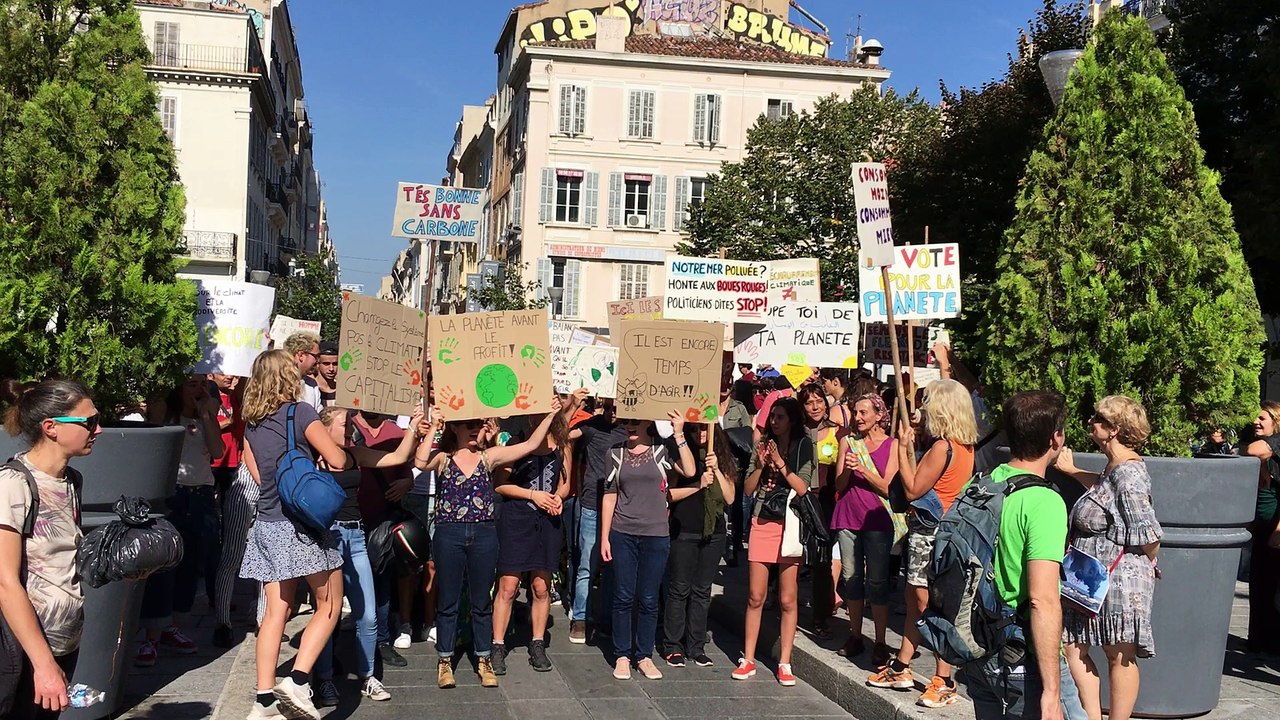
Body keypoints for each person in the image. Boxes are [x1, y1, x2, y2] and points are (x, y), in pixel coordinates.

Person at [415, 400, 563, 690]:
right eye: (468, 425)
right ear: (455, 428)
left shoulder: (488, 457)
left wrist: (551, 414)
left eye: (478, 425)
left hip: (484, 534)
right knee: (449, 602)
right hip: (449, 533)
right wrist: (433, 425)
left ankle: (483, 658)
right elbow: (420, 462)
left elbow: (532, 443)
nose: (474, 430)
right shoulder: (443, 458)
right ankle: (444, 660)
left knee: (482, 600)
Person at [239, 349, 351, 720]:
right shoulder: (299, 412)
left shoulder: (251, 422)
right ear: (288, 376)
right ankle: (299, 680)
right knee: (330, 604)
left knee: (276, 612)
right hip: (300, 526)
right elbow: (336, 460)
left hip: (268, 522)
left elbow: (253, 468)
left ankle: (264, 700)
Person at [964, 390, 1086, 720]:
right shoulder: (1043, 502)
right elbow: (1042, 600)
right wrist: (1051, 692)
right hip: (1022, 656)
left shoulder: (980, 485)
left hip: (978, 649)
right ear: (1056, 438)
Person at [867, 379, 977, 708]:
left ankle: (944, 678)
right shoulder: (960, 444)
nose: (923, 408)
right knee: (915, 599)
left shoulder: (944, 446)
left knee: (930, 603)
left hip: (932, 534)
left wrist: (902, 447)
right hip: (940, 532)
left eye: (927, 402)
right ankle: (902, 664)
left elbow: (913, 488)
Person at [310, 405, 428, 707]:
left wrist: (413, 426)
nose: (350, 426)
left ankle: (368, 676)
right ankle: (323, 680)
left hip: (356, 536)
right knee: (327, 612)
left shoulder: (355, 455)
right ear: (324, 427)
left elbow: (398, 457)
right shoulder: (313, 460)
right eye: (344, 422)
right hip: (328, 539)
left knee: (368, 612)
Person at [1053, 395, 1162, 720]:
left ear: (1114, 429)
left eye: (1098, 418)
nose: (1091, 422)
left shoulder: (1129, 474)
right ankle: (1090, 716)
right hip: (1092, 578)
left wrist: (1148, 561)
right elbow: (1104, 488)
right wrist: (1073, 471)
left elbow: (1150, 534)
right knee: (1073, 646)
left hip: (1118, 580)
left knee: (1119, 654)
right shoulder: (1115, 467)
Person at [0, 380, 98, 720]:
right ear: (51, 428)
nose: (97, 429)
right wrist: (43, 665)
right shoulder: (13, 484)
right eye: (88, 422)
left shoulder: (71, 480)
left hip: (63, 641)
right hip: (22, 653)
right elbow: (5, 582)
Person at [490, 390, 582, 675]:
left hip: (548, 521)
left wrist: (557, 496)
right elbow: (500, 484)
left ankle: (538, 642)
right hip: (518, 517)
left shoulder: (562, 443)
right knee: (508, 585)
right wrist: (533, 495)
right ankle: (497, 644)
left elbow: (566, 482)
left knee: (542, 586)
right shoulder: (517, 443)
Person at [136, 375, 225, 666]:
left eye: (202, 384)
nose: (198, 389)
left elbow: (217, 451)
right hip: (172, 495)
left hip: (200, 495)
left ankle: (171, 626)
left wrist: (207, 415)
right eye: (191, 384)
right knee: (164, 566)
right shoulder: (167, 412)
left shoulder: (205, 414)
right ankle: (151, 636)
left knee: (191, 563)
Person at [600, 411, 696, 681]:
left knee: (650, 598)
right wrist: (605, 536)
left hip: (656, 534)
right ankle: (621, 654)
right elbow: (609, 495)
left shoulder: (661, 451)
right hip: (623, 532)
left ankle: (643, 655)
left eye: (635, 421)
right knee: (622, 596)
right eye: (626, 421)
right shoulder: (614, 454)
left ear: (647, 422)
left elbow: (689, 470)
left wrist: (679, 434)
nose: (630, 426)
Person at [735, 396, 815, 687]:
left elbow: (803, 487)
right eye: (772, 416)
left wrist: (780, 464)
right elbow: (747, 489)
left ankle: (785, 661)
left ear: (792, 420)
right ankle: (749, 658)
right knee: (756, 596)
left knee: (787, 598)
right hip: (762, 520)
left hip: (789, 524)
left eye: (780, 417)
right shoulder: (762, 445)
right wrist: (760, 465)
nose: (774, 421)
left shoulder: (804, 446)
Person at [662, 421, 737, 667]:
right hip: (684, 529)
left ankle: (695, 645)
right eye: (694, 429)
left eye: (704, 428)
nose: (700, 434)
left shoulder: (720, 458)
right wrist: (697, 485)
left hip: (713, 533)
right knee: (679, 588)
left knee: (702, 591)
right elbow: (669, 494)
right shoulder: (680, 456)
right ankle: (673, 644)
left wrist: (716, 472)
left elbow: (729, 497)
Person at [832, 393, 898, 666]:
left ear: (878, 415)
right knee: (851, 578)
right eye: (855, 413)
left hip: (877, 520)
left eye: (863, 413)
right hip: (848, 517)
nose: (857, 418)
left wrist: (863, 468)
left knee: (878, 581)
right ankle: (856, 634)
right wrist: (848, 469)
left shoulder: (892, 446)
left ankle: (880, 641)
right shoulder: (847, 442)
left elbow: (886, 486)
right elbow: (838, 485)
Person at [566, 400, 629, 644]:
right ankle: (580, 617)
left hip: (620, 507)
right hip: (592, 504)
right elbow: (564, 436)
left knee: (613, 566)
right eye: (611, 406)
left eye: (618, 407)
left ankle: (607, 618)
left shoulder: (630, 430)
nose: (614, 412)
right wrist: (572, 405)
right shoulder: (591, 425)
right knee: (586, 564)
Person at [798, 385, 842, 638]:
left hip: (826, 500)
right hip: (799, 498)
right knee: (794, 553)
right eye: (809, 402)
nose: (815, 407)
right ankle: (783, 599)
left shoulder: (837, 433)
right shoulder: (796, 432)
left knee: (822, 558)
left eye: (819, 401)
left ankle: (820, 615)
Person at [1244, 401, 1280, 656]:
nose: (1256, 421)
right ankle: (1258, 640)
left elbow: (1256, 450)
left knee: (1275, 588)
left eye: (1262, 418)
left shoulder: (1276, 445)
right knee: (1259, 584)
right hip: (1259, 529)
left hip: (1276, 529)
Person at [282, 332, 323, 412]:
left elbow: (319, 416)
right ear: (301, 355)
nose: (318, 361)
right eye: (316, 356)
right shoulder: (277, 381)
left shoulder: (311, 384)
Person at [314, 344, 339, 408]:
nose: (331, 369)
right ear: (317, 364)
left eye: (335, 364)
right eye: (326, 364)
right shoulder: (311, 388)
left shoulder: (342, 389)